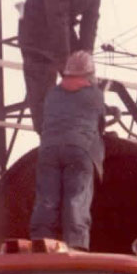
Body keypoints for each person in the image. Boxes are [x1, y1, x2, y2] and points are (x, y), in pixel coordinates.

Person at [29, 50, 105, 251]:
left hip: (49, 149)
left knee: (47, 197)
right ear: (89, 74)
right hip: (79, 149)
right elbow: (100, 124)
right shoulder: (95, 95)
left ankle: (41, 241)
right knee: (76, 197)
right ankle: (77, 244)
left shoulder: (53, 94)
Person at [18, 0, 108, 132]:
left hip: (64, 31)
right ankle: (50, 138)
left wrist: (86, 55)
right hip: (36, 40)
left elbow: (91, 19)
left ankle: (93, 132)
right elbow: (58, 20)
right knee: (43, 96)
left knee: (87, 81)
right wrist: (69, 69)